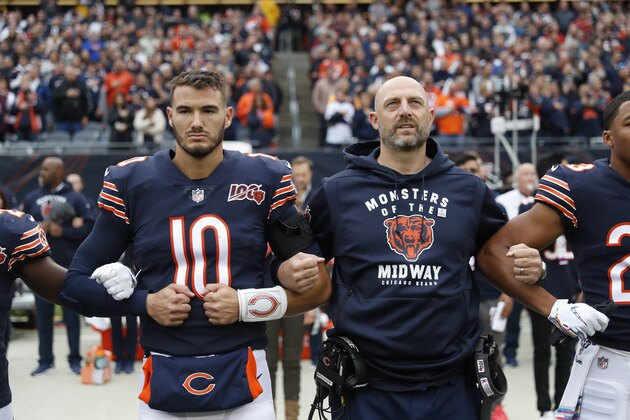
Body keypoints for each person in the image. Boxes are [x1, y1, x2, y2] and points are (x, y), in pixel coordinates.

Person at [292, 76, 607, 419]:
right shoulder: (337, 192)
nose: (405, 112)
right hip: (366, 387)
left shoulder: (469, 190)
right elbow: (296, 260)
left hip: (451, 386)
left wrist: (536, 266)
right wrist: (286, 276)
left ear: (430, 115)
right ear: (374, 120)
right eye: (392, 104)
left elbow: (498, 254)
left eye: (414, 103)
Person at [59, 70, 331, 419]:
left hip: (246, 366)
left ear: (228, 116)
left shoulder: (264, 177)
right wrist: (146, 302)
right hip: (163, 371)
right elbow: (74, 285)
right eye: (185, 111)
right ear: (170, 117)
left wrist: (244, 304)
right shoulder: (131, 181)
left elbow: (318, 286)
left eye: (209, 110)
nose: (197, 122)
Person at [480, 90, 630, 419]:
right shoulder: (582, 186)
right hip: (615, 362)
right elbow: (494, 253)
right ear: (608, 137)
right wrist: (554, 307)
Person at [0, 208, 132, 420]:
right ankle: (46, 360)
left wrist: (140, 297)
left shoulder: (7, 230)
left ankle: (73, 359)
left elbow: (72, 293)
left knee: (68, 323)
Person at [20, 157, 96, 376]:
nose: (41, 172)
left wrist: (64, 232)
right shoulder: (32, 197)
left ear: (59, 171)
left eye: (45, 169)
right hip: (38, 267)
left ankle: (75, 359)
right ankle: (45, 361)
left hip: (68, 266)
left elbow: (92, 228)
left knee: (72, 314)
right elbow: (19, 228)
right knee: (43, 315)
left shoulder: (76, 198)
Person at [519, 152, 579, 420]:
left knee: (567, 352)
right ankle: (543, 406)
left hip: (570, 288)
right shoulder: (531, 210)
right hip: (541, 290)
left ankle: (561, 407)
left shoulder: (580, 206)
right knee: (542, 351)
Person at [264, 155, 315, 420]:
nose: (298, 179)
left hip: (299, 295)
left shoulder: (315, 203)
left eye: (302, 174)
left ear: (310, 175)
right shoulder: (269, 204)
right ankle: (269, 413)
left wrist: (315, 304)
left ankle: (291, 415)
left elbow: (319, 259)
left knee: (293, 360)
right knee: (269, 359)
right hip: (267, 292)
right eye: (294, 175)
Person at [496, 162, 538, 367]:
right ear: (516, 179)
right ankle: (510, 351)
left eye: (533, 173)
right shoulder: (504, 201)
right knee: (512, 316)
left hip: (535, 262)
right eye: (525, 174)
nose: (530, 178)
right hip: (511, 264)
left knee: (538, 313)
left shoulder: (542, 200)